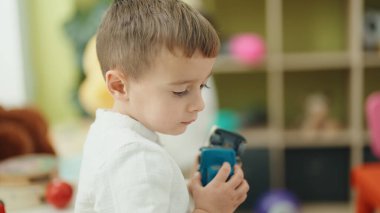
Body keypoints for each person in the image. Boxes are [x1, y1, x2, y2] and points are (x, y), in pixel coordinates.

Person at [74, 0, 249, 212]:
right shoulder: (137, 158)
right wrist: (210, 209)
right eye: (180, 91)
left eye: (202, 86)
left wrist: (189, 193)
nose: (199, 105)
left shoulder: (110, 135)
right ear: (119, 86)